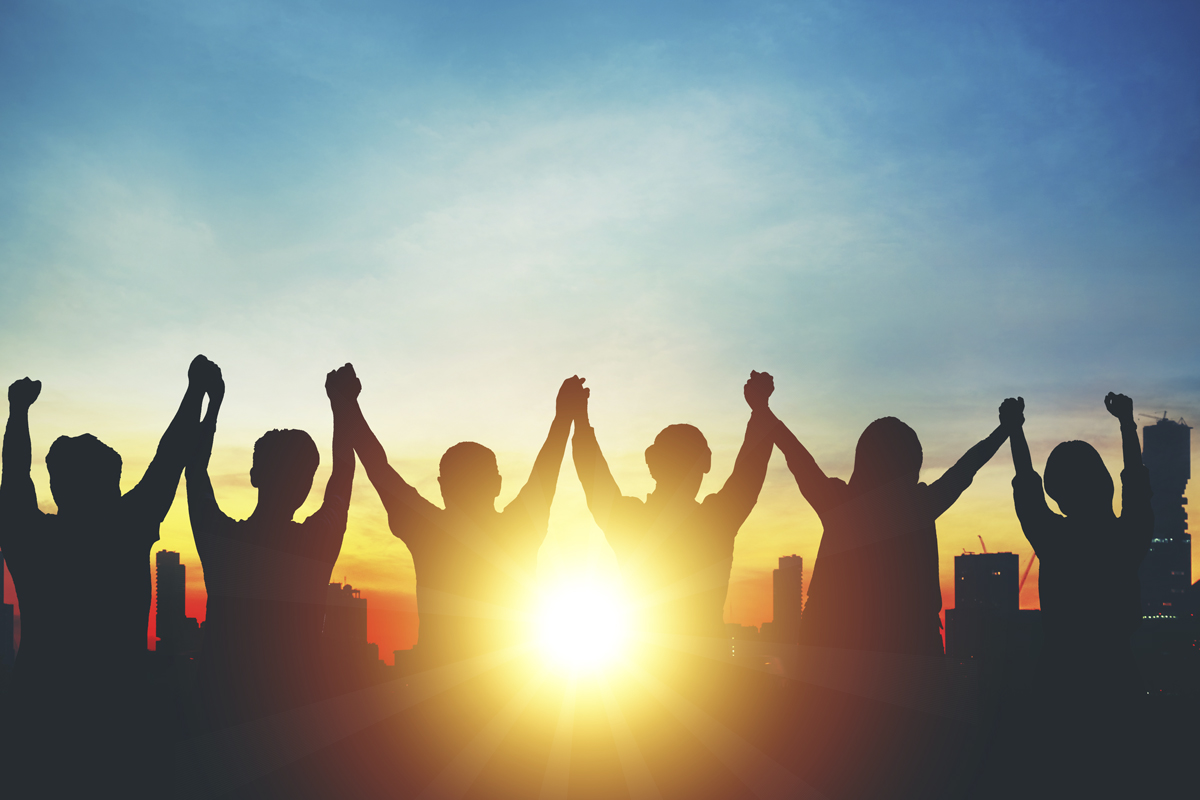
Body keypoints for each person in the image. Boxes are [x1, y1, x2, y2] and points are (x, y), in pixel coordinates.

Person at [0, 356, 216, 795]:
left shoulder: (32, 539)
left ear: (58, 487)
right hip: (120, 724)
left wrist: (18, 411)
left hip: (39, 720)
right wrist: (195, 391)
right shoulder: (126, 527)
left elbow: (15, 479)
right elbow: (169, 458)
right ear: (112, 487)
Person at [344, 373, 587, 667]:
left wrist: (347, 405)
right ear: (496, 484)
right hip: (513, 687)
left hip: (440, 691)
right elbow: (547, 468)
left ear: (443, 486)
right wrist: (564, 417)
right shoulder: (518, 528)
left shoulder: (427, 531)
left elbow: (378, 468)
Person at [186, 362, 357, 729]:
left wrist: (210, 401)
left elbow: (194, 470)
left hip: (219, 722)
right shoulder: (316, 545)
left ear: (254, 475)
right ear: (306, 486)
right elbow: (343, 474)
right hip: (295, 725)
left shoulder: (222, 544)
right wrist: (341, 407)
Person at [769, 402, 1008, 656]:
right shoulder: (919, 507)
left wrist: (764, 411)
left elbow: (799, 460)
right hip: (910, 653)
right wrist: (1004, 430)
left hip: (831, 651)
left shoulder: (840, 505)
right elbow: (964, 470)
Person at [1002, 393, 1151, 797]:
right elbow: (1137, 484)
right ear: (1103, 483)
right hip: (1119, 681)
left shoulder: (1054, 539)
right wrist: (1126, 422)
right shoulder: (1127, 537)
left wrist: (1015, 429)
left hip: (1058, 684)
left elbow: (1026, 486)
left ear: (1058, 493)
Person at [570, 371, 775, 641]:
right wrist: (760, 409)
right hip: (707, 669)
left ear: (652, 462)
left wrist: (580, 420)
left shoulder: (631, 522)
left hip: (644, 667)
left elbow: (594, 478)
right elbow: (750, 473)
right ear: (706, 463)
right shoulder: (715, 521)